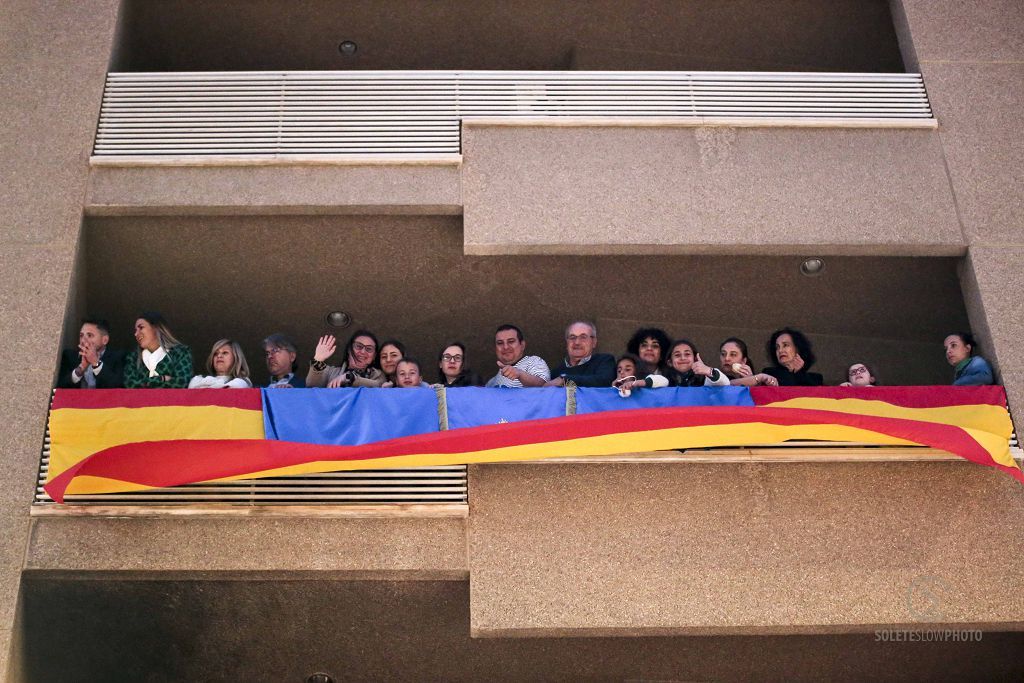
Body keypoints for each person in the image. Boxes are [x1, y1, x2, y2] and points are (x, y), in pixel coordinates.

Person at [621, 339, 730, 389]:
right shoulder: (666, 379)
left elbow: (725, 383)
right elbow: (659, 380)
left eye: (687, 354)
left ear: (695, 358)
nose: (683, 358)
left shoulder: (706, 378)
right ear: (670, 362)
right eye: (677, 355)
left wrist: (708, 371)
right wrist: (637, 383)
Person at [123, 312, 193, 388]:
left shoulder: (180, 353)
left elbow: (181, 383)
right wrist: (162, 378)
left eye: (141, 327)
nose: (136, 334)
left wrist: (144, 383)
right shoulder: (133, 357)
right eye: (135, 330)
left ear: (156, 328)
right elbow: (130, 385)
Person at [57, 318, 126, 389]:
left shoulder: (118, 357)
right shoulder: (69, 356)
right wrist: (81, 369)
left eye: (90, 335)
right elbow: (56, 390)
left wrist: (96, 363)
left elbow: (119, 389)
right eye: (81, 335)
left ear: (104, 340)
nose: (83, 340)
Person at [546, 321, 616, 387]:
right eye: (572, 337)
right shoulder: (555, 373)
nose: (577, 342)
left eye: (583, 337)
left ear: (594, 342)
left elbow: (604, 381)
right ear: (566, 343)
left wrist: (565, 380)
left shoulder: (604, 361)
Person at [307, 330, 385, 388]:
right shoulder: (330, 372)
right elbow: (312, 386)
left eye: (369, 349)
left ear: (374, 356)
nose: (363, 351)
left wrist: (349, 377)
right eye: (358, 346)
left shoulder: (377, 374)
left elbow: (378, 385)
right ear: (349, 349)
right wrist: (318, 360)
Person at [485, 324, 550, 388]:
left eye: (511, 341)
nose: (505, 347)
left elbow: (544, 386)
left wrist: (520, 374)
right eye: (500, 343)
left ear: (522, 345)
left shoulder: (533, 361)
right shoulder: (493, 381)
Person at [188, 339, 253, 388]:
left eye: (225, 352)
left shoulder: (243, 381)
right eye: (215, 354)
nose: (219, 356)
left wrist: (205, 386)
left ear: (236, 358)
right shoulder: (197, 379)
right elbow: (192, 385)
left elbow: (233, 388)